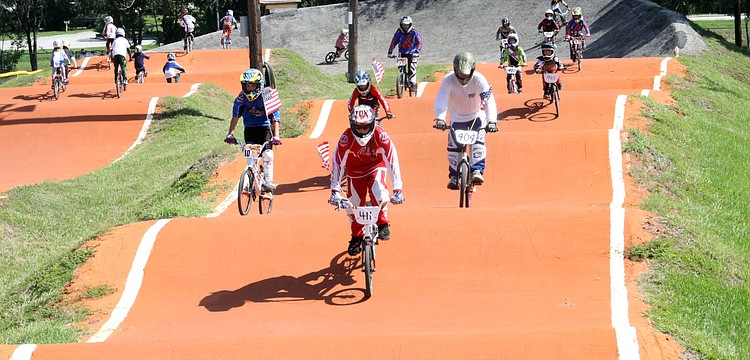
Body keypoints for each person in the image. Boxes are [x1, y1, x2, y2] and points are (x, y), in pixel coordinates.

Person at [328, 105, 404, 256]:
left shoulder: (381, 135)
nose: (362, 131)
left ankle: (382, 222)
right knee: (353, 204)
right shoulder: (346, 138)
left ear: (372, 124)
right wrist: (335, 191)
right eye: (358, 127)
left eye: (365, 127)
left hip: (376, 166)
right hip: (354, 172)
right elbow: (337, 163)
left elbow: (392, 159)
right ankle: (356, 236)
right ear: (352, 125)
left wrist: (398, 190)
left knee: (380, 194)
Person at [433, 51, 499, 189]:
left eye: (466, 74)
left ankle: (477, 170)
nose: (463, 77)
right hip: (456, 118)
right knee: (453, 148)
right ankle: (453, 176)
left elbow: (488, 101)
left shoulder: (479, 79)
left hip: (477, 118)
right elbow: (441, 100)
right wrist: (440, 118)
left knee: (478, 144)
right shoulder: (448, 80)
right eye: (460, 74)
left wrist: (492, 120)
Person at [224, 69, 283, 192]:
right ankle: (250, 180)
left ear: (259, 85)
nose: (250, 88)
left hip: (265, 128)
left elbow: (275, 117)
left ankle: (268, 181)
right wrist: (230, 134)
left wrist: (276, 136)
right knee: (251, 156)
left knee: (267, 154)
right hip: (250, 128)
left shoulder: (267, 95)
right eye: (247, 85)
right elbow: (235, 116)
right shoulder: (241, 97)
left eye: (253, 85)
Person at [387, 16, 422, 92]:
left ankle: (413, 83)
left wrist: (417, 50)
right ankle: (401, 79)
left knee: (412, 68)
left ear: (410, 25)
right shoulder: (399, 32)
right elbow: (394, 41)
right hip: (402, 53)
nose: (405, 27)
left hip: (412, 53)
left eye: (406, 25)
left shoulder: (414, 32)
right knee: (401, 67)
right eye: (403, 25)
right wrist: (390, 51)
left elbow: (419, 42)